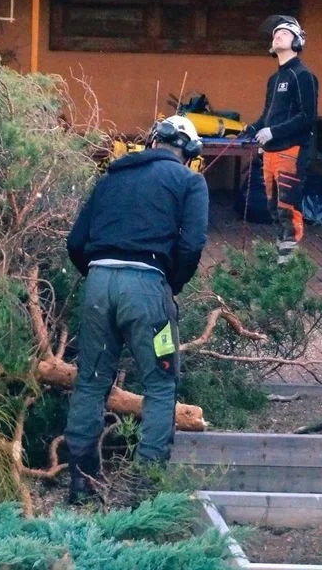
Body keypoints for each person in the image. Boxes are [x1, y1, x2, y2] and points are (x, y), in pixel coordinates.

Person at [64, 115, 209, 504]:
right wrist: (169, 285)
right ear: (189, 153)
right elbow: (192, 246)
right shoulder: (190, 182)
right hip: (147, 291)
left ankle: (81, 485)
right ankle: (141, 493)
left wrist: (99, 277)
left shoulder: (110, 178)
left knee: (91, 382)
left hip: (97, 284)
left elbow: (76, 242)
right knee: (160, 385)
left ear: (152, 144)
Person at [244, 15, 319, 264]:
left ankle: (290, 265)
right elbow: (268, 115)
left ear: (297, 41)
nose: (278, 35)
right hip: (271, 151)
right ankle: (281, 258)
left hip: (291, 150)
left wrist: (274, 132)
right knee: (274, 208)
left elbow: (307, 117)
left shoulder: (303, 75)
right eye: (275, 33)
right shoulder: (274, 79)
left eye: (285, 33)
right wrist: (252, 128)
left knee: (288, 207)